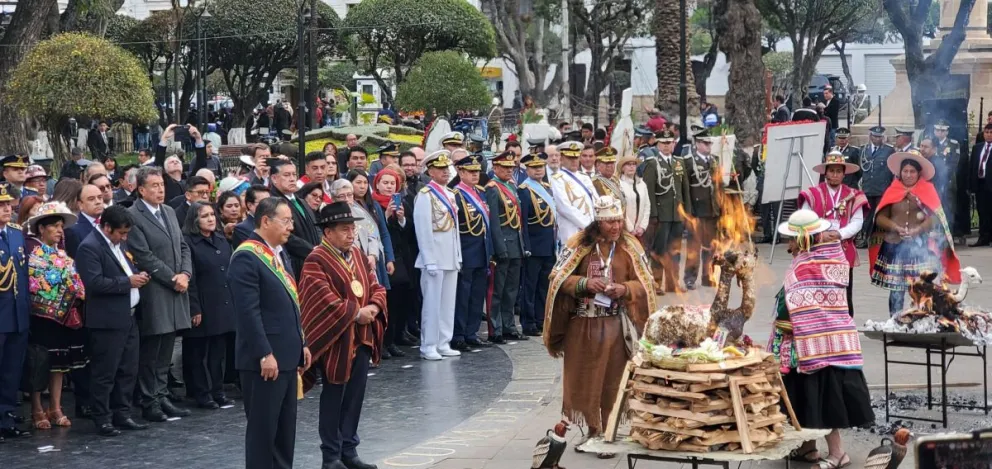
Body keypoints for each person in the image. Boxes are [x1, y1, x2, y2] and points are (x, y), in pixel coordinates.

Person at [543, 196, 655, 451]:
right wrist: (583, 284)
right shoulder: (579, 244)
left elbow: (646, 284)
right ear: (598, 222)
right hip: (583, 326)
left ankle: (611, 430)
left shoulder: (630, 246)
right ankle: (593, 431)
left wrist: (624, 288)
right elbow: (558, 277)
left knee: (614, 380)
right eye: (608, 222)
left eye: (618, 220)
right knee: (585, 379)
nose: (615, 226)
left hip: (616, 325)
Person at [767, 209, 874, 468]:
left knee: (824, 399)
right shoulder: (820, 257)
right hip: (808, 341)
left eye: (792, 239)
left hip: (820, 343)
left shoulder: (813, 263)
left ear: (805, 238)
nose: (788, 244)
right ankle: (808, 447)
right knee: (805, 396)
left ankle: (838, 453)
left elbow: (802, 301)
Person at [300, 202, 387, 469]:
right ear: (327, 232)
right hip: (335, 340)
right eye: (344, 229)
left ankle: (349, 450)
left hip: (361, 337)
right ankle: (331, 455)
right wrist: (355, 313)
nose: (351, 234)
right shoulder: (316, 258)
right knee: (334, 395)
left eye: (353, 228)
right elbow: (320, 298)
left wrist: (374, 306)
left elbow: (375, 285)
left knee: (355, 395)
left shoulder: (358, 255)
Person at [229, 197, 311, 469]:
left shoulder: (279, 252)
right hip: (265, 360)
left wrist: (302, 343)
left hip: (287, 355)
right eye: (285, 221)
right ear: (265, 221)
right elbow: (248, 313)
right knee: (263, 433)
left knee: (285, 432)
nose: (290, 227)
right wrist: (264, 353)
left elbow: (289, 305)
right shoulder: (246, 256)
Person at [126, 166, 193, 422]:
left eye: (162, 185)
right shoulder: (134, 215)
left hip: (178, 288)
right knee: (153, 348)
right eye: (154, 185)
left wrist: (185, 273)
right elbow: (143, 255)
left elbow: (183, 245)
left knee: (167, 346)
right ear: (141, 189)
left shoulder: (168, 212)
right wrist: (172, 277)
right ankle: (149, 399)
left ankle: (162, 394)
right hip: (156, 289)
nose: (160, 189)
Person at [76, 205, 150, 436]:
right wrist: (128, 282)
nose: (124, 237)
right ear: (106, 227)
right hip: (107, 320)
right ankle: (102, 417)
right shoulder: (89, 247)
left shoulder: (120, 244)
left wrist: (137, 275)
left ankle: (122, 412)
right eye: (121, 233)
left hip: (128, 317)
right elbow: (94, 283)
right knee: (105, 371)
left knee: (128, 369)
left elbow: (127, 265)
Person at [870, 151, 961, 316]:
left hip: (919, 246)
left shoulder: (927, 189)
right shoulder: (893, 189)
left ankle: (921, 319)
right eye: (905, 171)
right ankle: (895, 320)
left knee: (922, 287)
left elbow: (935, 217)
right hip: (894, 246)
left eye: (912, 171)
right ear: (900, 172)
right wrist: (896, 227)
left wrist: (917, 230)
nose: (908, 175)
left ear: (919, 173)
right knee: (896, 289)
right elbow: (880, 218)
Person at [23, 202, 86, 431]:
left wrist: (75, 290)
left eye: (61, 226)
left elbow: (77, 283)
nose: (60, 231)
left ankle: (56, 406)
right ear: (41, 229)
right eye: (54, 226)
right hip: (41, 319)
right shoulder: (33, 256)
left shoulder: (64, 256)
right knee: (40, 362)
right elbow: (35, 286)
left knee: (59, 363)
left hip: (64, 318)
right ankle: (37, 408)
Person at [798, 152, 869, 316]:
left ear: (844, 174)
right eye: (832, 171)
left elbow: (857, 222)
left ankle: (846, 329)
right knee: (819, 292)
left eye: (838, 171)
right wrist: (820, 234)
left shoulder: (853, 195)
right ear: (826, 172)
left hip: (843, 251)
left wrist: (839, 234)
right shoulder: (813, 193)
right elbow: (804, 219)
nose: (835, 175)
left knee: (844, 293)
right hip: (818, 249)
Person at [181, 201, 236, 410]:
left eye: (212, 215)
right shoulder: (189, 242)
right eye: (205, 216)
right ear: (195, 220)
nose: (211, 219)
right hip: (203, 303)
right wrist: (195, 307)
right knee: (199, 353)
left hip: (222, 302)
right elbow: (191, 277)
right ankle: (202, 393)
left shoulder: (221, 240)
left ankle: (218, 390)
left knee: (217, 352)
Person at [413, 151, 462, 360]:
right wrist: (429, 260)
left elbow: (455, 229)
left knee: (447, 303)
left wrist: (458, 255)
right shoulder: (425, 195)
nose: (445, 172)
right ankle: (429, 344)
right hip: (433, 257)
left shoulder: (450, 194)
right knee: (432, 304)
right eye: (441, 169)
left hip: (450, 256)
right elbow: (423, 230)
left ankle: (444, 341)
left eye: (447, 168)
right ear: (430, 171)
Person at [371, 168, 416, 357]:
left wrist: (401, 219)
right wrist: (388, 217)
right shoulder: (373, 205)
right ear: (378, 185)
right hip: (385, 258)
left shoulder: (402, 202)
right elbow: (380, 232)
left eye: (392, 183)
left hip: (402, 257)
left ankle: (396, 336)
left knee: (401, 299)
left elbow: (409, 230)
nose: (389, 187)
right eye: (385, 183)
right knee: (387, 301)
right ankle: (384, 341)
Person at [451, 156, 492, 350]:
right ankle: (458, 334)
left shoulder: (480, 193)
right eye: (470, 171)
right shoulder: (456, 195)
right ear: (460, 172)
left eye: (477, 171)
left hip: (482, 251)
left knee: (477, 295)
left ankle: (471, 332)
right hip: (466, 251)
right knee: (463, 295)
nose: (475, 174)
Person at [487, 151, 528, 343]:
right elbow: (494, 221)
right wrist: (498, 247)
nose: (509, 170)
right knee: (498, 290)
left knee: (511, 289)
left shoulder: (511, 186)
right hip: (503, 243)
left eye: (511, 167)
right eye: (505, 167)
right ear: (495, 168)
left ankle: (509, 325)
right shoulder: (493, 188)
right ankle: (495, 329)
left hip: (515, 244)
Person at [0, 183, 30, 441]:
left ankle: (7, 416)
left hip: (18, 314)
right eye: (1, 205)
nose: (7, 209)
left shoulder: (16, 233)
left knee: (12, 370)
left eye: (8, 204)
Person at [518, 153, 556, 337]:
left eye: (541, 166)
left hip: (548, 245)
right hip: (533, 246)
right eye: (534, 167)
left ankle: (541, 320)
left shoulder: (546, 188)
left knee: (544, 286)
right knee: (530, 286)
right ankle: (529, 322)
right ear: (526, 169)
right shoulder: (524, 190)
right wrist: (526, 246)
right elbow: (523, 222)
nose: (538, 170)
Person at [267, 158, 321, 276]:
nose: (292, 178)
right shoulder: (272, 203)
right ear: (274, 178)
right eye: (286, 175)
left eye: (294, 174)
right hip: (294, 266)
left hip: (314, 262)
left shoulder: (301, 201)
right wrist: (312, 250)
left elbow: (315, 227)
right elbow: (285, 236)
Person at [344, 170, 395, 291]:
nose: (362, 186)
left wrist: (389, 258)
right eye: (358, 182)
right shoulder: (347, 206)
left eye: (365, 183)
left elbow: (383, 233)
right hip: (360, 255)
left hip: (376, 253)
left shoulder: (374, 205)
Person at [683, 128, 721, 290]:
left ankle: (707, 276)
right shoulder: (689, 161)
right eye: (705, 143)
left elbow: (718, 185)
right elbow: (686, 188)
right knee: (694, 247)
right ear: (697, 144)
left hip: (712, 210)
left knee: (710, 246)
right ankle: (690, 278)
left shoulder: (715, 160)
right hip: (697, 211)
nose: (708, 146)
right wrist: (688, 211)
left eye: (709, 143)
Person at [551, 141, 596, 247]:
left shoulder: (584, 177)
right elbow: (564, 207)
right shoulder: (557, 179)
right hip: (571, 231)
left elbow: (595, 201)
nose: (574, 161)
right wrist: (588, 225)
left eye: (576, 157)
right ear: (561, 159)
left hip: (592, 230)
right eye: (570, 158)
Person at [857, 125, 895, 248]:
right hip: (868, 188)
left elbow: (891, 171)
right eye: (874, 136)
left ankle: (879, 239)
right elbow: (860, 169)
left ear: (883, 137)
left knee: (880, 215)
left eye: (879, 137)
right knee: (867, 215)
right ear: (870, 136)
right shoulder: (863, 150)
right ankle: (866, 238)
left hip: (882, 189)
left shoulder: (889, 150)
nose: (877, 139)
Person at [933, 120, 968, 245]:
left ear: (947, 131)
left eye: (942, 130)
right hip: (933, 182)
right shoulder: (931, 143)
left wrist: (943, 175)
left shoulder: (953, 144)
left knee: (948, 209)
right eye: (937, 130)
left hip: (947, 181)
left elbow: (953, 163)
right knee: (934, 210)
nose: (940, 132)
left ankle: (948, 237)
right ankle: (935, 237)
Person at [64, 184, 105, 259]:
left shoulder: (109, 221)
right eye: (91, 199)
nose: (98, 202)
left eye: (100, 197)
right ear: (80, 204)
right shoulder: (73, 230)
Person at [617, 155, 650, 241]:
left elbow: (647, 206)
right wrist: (630, 229)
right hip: (625, 230)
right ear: (622, 168)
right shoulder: (619, 185)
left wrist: (642, 227)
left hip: (640, 231)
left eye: (634, 164)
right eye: (628, 164)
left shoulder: (642, 184)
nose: (631, 167)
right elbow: (620, 209)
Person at [970, 123, 992, 246]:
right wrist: (971, 184)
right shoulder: (977, 147)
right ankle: (983, 237)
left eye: (991, 132)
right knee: (982, 211)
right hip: (980, 184)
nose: (988, 135)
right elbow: (973, 166)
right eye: (986, 132)